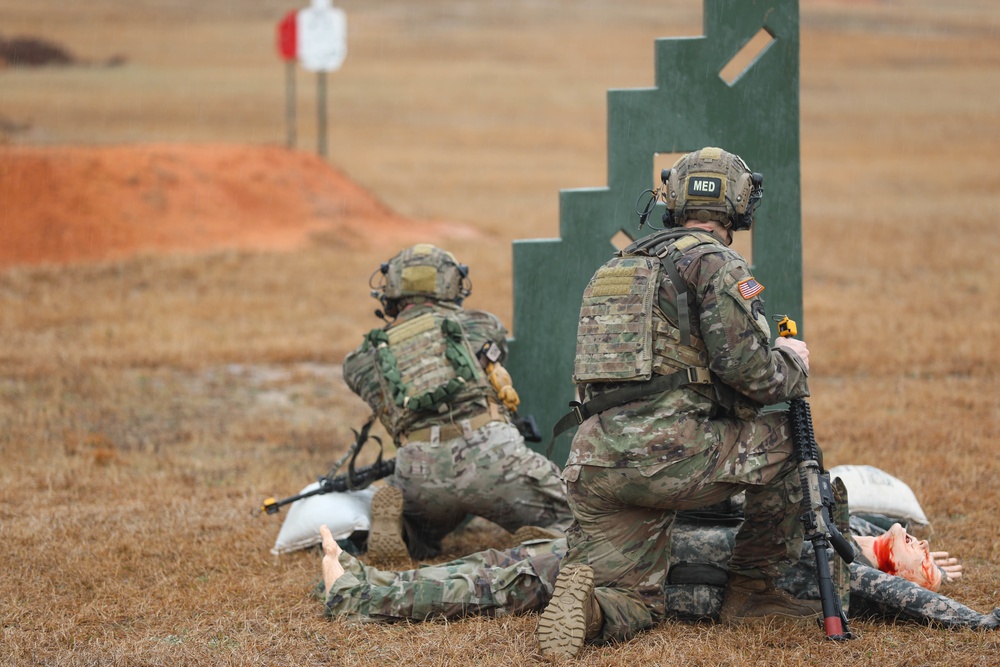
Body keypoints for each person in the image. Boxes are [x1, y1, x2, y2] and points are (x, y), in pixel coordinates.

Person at [536, 147, 818, 657]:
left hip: (594, 463)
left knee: (636, 600)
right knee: (794, 445)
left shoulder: (617, 267)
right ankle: (753, 592)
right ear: (737, 201)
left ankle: (590, 608)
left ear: (674, 197)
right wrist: (792, 360)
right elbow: (752, 374)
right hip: (672, 458)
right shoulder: (716, 262)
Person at [316, 514, 993, 630]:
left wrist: (974, 616)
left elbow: (910, 601)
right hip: (644, 546)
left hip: (647, 565)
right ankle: (365, 581)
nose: (910, 538)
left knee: (501, 581)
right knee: (505, 568)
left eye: (918, 552)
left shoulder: (838, 576)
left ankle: (357, 592)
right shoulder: (839, 536)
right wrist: (881, 540)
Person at [341, 243, 572, 560]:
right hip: (491, 456)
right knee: (575, 515)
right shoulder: (480, 325)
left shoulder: (363, 357)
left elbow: (371, 389)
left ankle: (403, 529)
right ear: (451, 282)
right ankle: (549, 533)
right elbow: (497, 349)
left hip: (419, 469)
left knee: (421, 532)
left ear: (390, 287)